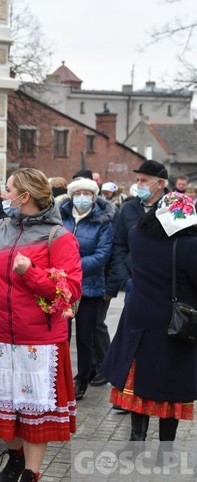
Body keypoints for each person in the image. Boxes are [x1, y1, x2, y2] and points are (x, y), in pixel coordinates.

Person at [0, 168, 82, 482]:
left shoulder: (59, 236)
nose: (2, 196)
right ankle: (16, 457)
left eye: (6, 190)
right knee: (3, 407)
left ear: (24, 196)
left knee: (33, 411)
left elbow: (69, 290)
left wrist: (30, 272)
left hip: (39, 341)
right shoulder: (1, 227)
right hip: (0, 336)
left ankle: (32, 473)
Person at [101, 192, 197, 459]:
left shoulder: (137, 235)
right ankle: (165, 451)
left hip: (139, 317)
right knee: (172, 384)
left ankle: (135, 443)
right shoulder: (191, 246)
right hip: (176, 323)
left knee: (138, 380)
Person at [58, 178, 114, 400]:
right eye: (78, 193)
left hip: (89, 288)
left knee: (85, 336)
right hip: (62, 287)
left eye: (87, 193)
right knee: (62, 335)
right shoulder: (60, 218)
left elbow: (102, 255)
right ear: (71, 196)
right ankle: (60, 379)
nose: (83, 197)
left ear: (94, 196)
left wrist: (71, 266)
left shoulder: (103, 222)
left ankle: (82, 378)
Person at [107, 160, 168, 306]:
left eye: (144, 181)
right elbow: (119, 245)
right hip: (135, 283)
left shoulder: (173, 207)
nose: (139, 184)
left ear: (160, 184)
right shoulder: (129, 207)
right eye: (138, 180)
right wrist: (126, 279)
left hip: (165, 284)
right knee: (133, 327)